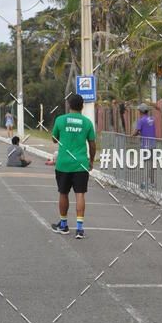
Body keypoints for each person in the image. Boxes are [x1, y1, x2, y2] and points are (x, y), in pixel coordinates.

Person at [51, 93, 96, 239]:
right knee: (80, 194)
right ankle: (80, 229)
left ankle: (63, 225)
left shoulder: (60, 120)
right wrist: (91, 160)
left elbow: (54, 139)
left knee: (63, 193)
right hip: (81, 164)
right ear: (82, 106)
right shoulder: (87, 122)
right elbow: (92, 144)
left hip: (63, 164)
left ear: (69, 105)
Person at [134, 103, 156, 186]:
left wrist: (132, 135)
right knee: (151, 164)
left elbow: (136, 131)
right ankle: (152, 182)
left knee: (145, 164)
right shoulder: (152, 119)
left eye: (139, 110)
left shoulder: (141, 120)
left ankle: (146, 182)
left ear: (141, 111)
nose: (138, 112)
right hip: (152, 144)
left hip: (145, 145)